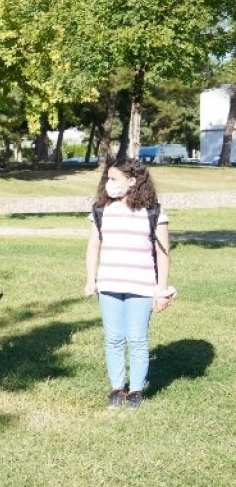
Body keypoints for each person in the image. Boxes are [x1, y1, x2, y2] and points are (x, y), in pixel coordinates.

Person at [84, 159, 173, 409]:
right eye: (107, 179)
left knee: (137, 339)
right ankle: (116, 388)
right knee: (113, 338)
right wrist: (91, 279)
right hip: (109, 284)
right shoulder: (100, 210)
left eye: (114, 179)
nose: (108, 184)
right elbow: (93, 246)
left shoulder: (153, 211)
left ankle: (135, 391)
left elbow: (163, 253)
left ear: (132, 181)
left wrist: (162, 290)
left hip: (141, 286)